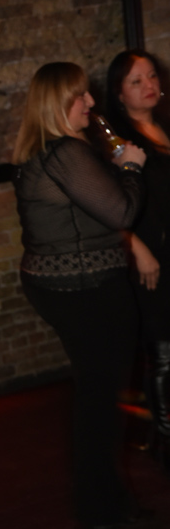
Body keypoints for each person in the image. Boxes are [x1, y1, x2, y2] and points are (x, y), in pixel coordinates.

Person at [13, 62, 146, 529]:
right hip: (84, 287)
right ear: (57, 102)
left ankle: (103, 499)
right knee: (101, 396)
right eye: (81, 96)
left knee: (98, 394)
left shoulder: (47, 149)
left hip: (66, 284)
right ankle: (100, 506)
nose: (91, 102)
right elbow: (121, 212)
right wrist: (131, 167)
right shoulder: (66, 151)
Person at [106, 50, 170, 464]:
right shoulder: (119, 143)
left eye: (152, 76)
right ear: (119, 93)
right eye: (136, 80)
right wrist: (137, 248)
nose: (149, 85)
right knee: (163, 352)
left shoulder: (165, 125)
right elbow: (109, 206)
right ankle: (165, 438)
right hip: (152, 256)